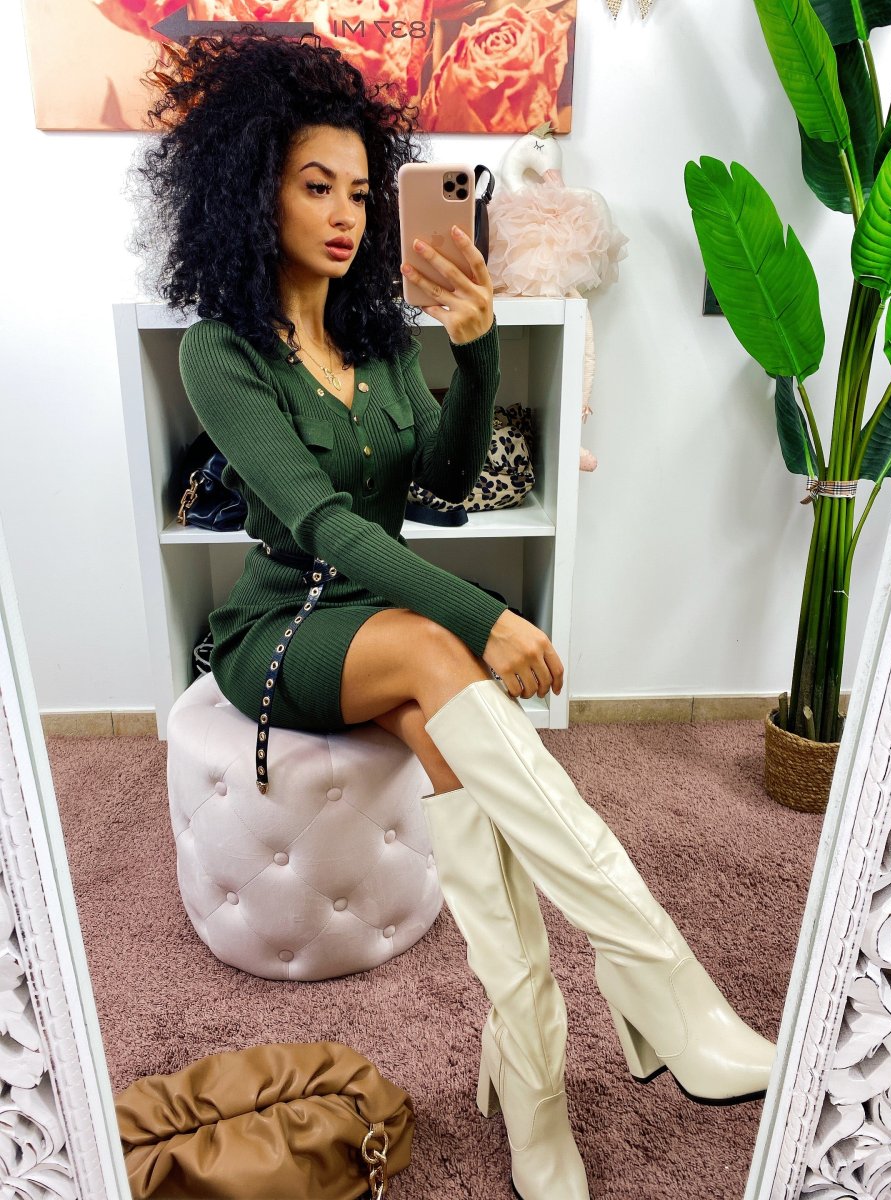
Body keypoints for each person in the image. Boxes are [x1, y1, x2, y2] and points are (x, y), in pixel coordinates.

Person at [136, 31, 776, 1200]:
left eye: (359, 191)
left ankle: (529, 1077)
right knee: (441, 651)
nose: (345, 215)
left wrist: (476, 354)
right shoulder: (221, 353)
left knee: (462, 761)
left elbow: (441, 482)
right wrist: (484, 618)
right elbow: (328, 527)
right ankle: (663, 984)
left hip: (385, 624)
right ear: (251, 190)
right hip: (287, 630)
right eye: (314, 185)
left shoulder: (378, 334)